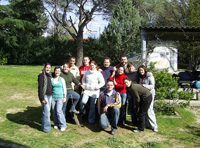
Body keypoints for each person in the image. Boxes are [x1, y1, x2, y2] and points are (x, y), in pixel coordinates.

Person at [138, 65, 158, 132]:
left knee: (150, 110)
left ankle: (154, 126)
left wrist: (145, 86)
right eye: (140, 70)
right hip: (144, 95)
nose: (141, 72)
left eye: (142, 70)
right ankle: (147, 124)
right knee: (145, 110)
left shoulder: (149, 76)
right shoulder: (140, 77)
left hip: (150, 94)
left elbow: (152, 86)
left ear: (145, 70)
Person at [38, 63, 52, 133]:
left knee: (45, 111)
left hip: (50, 95)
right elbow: (40, 87)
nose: (48, 69)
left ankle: (43, 126)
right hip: (45, 96)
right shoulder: (41, 76)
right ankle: (47, 128)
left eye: (49, 68)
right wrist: (41, 98)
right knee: (47, 112)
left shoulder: (50, 75)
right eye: (47, 67)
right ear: (44, 68)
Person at [51, 66, 67, 131]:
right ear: (54, 71)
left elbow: (64, 88)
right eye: (56, 70)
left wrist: (64, 97)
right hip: (53, 97)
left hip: (60, 97)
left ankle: (63, 125)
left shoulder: (62, 79)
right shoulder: (51, 79)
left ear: (60, 72)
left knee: (59, 111)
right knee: (54, 111)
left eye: (58, 71)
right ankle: (56, 123)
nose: (57, 72)